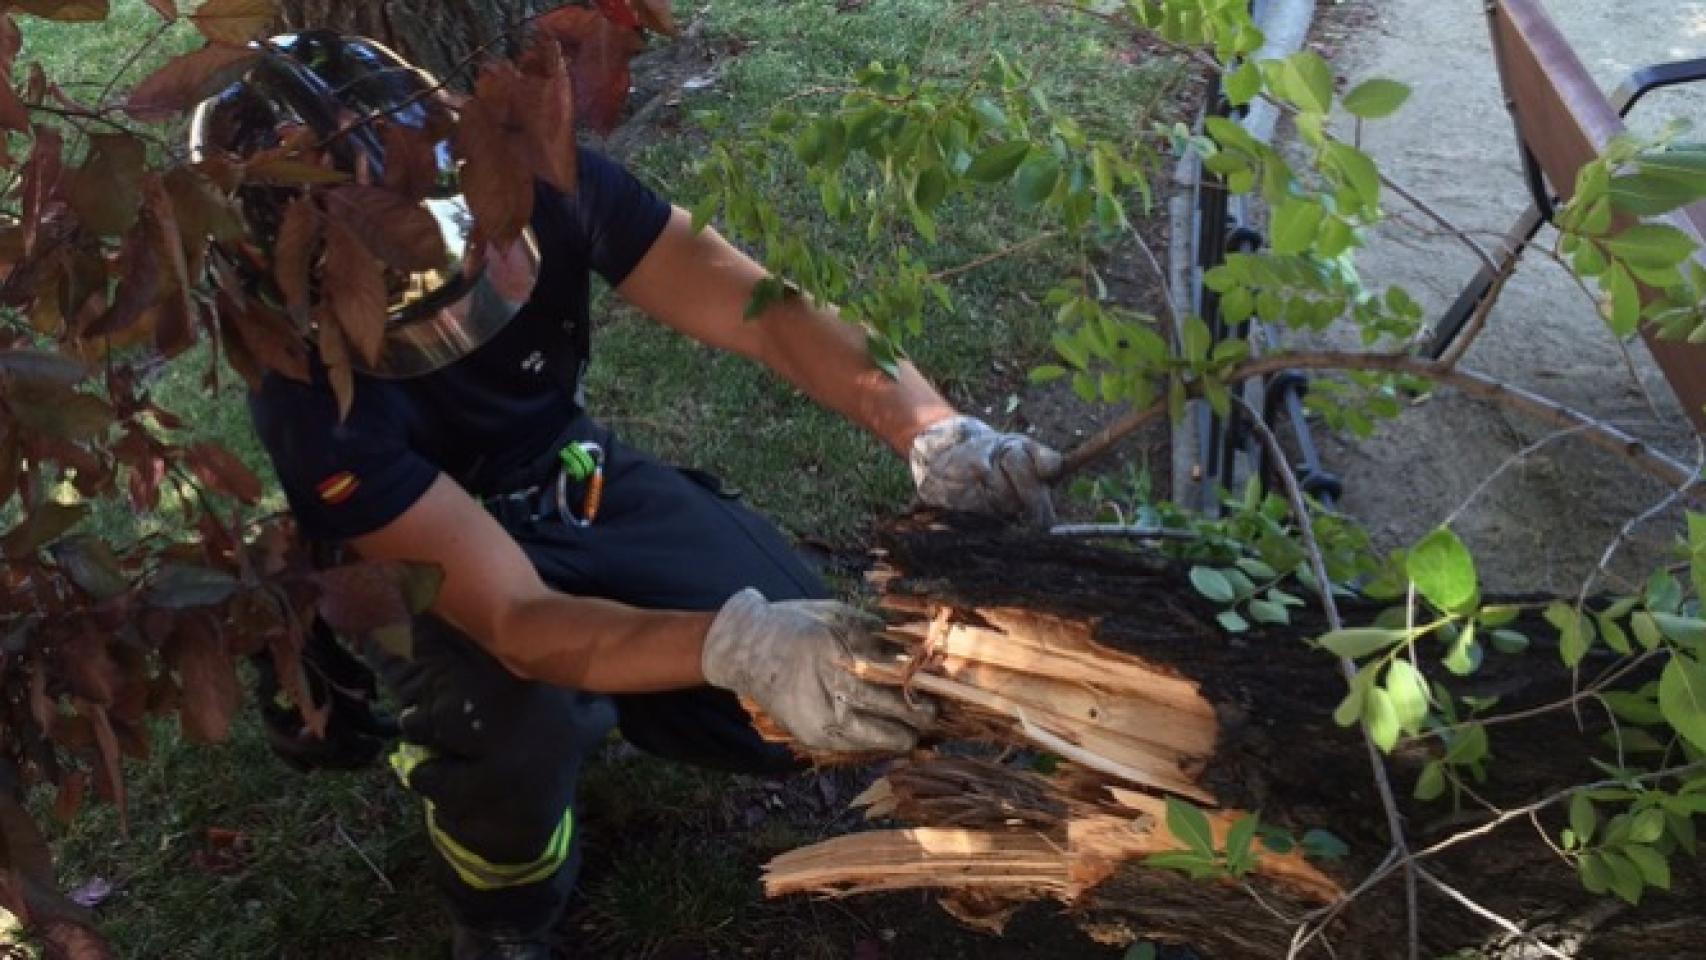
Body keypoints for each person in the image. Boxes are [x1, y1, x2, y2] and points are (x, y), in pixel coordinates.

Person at [195, 31, 1062, 959]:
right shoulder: (308, 404)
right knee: (517, 720)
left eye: (478, 255)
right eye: (420, 311)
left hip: (555, 468)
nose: (483, 300)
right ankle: (500, 908)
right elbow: (519, 619)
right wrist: (734, 644)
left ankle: (617, 685)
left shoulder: (547, 183)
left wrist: (934, 431)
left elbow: (767, 312)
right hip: (415, 547)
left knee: (797, 693)